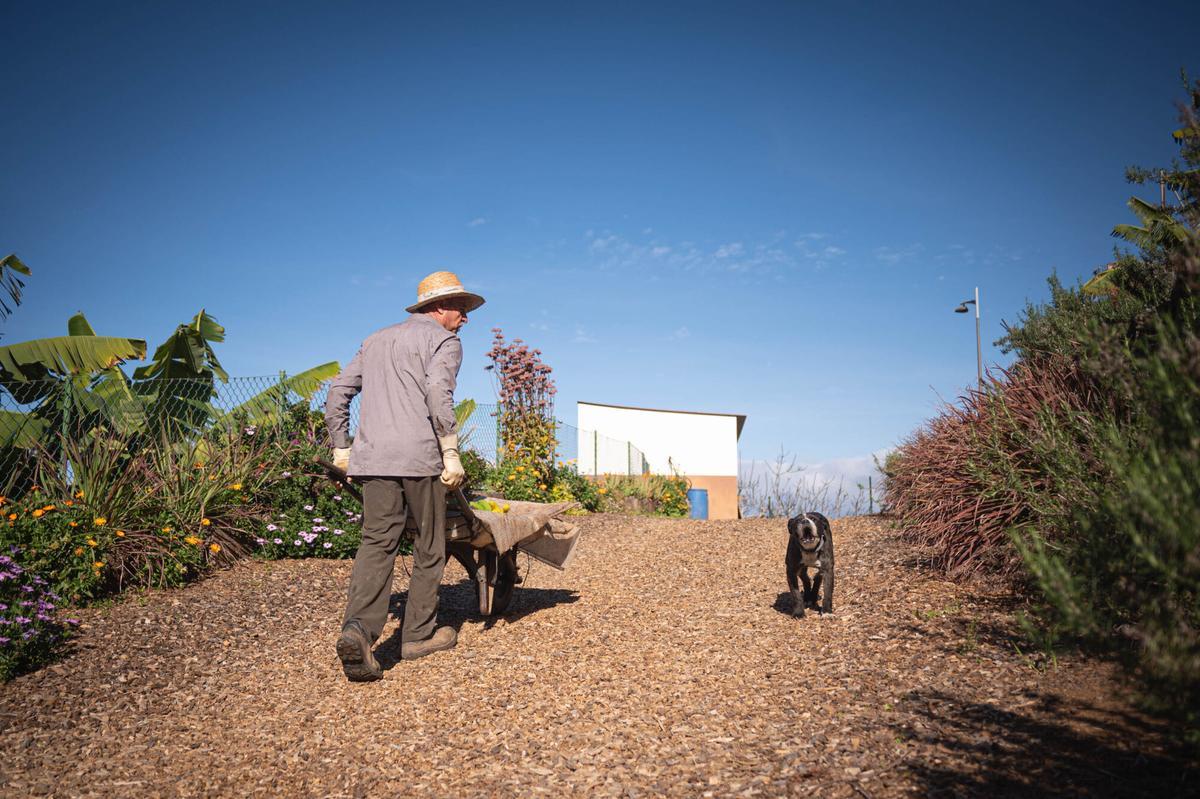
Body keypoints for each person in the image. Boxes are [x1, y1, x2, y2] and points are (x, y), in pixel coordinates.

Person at [325, 270, 484, 682]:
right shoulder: (445, 342)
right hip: (419, 458)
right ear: (440, 307)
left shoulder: (375, 340)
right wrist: (451, 451)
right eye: (461, 308)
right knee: (430, 543)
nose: (465, 318)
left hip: (373, 459)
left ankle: (357, 630)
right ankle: (417, 635)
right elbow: (438, 393)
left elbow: (338, 391)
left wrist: (341, 445)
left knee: (377, 542)